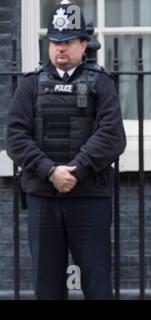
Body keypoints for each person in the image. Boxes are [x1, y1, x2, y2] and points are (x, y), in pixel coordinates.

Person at [6, 1, 126, 300]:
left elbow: (112, 135)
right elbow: (15, 137)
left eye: (68, 42)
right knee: (46, 285)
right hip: (43, 198)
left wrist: (75, 170)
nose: (60, 48)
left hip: (88, 197)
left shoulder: (100, 83)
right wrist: (50, 171)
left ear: (83, 44)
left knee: (97, 283)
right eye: (55, 42)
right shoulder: (30, 85)